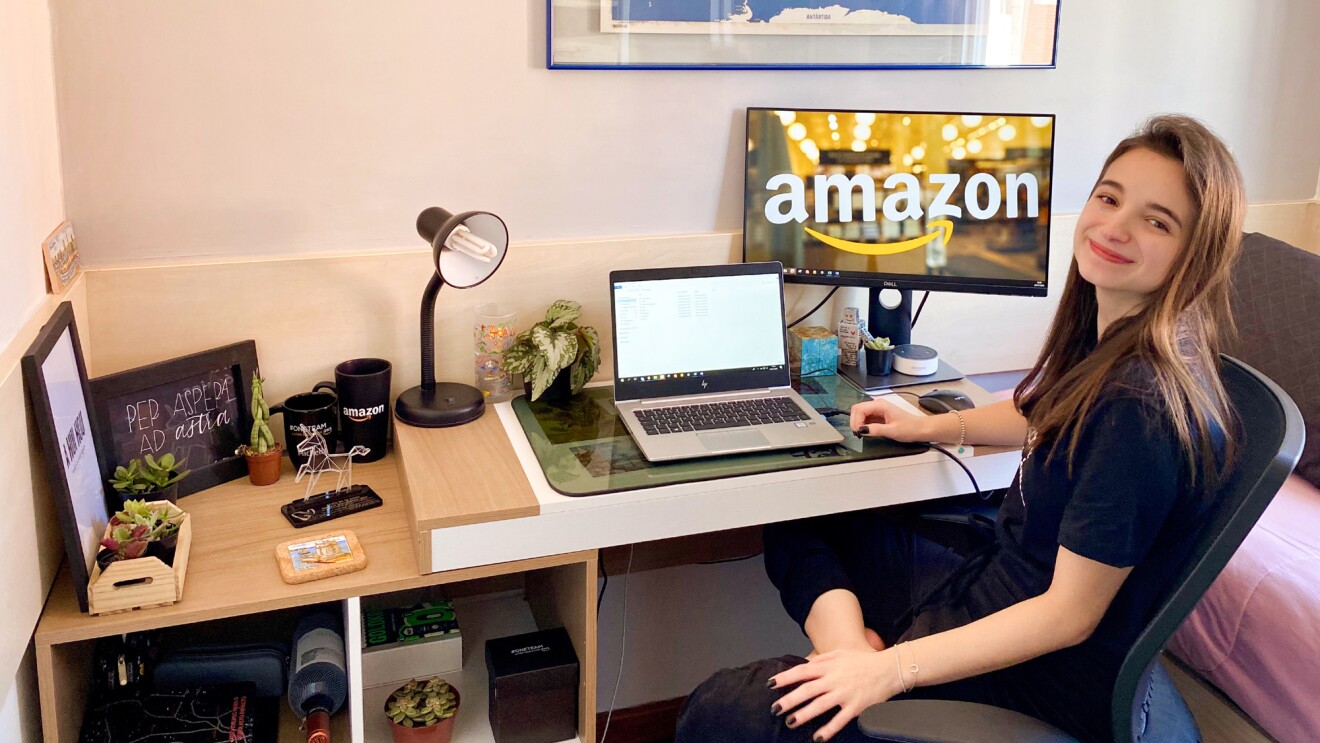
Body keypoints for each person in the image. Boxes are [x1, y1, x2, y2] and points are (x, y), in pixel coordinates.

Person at [675, 114, 1246, 743]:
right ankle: (846, 646)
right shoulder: (1116, 341)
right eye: (1109, 197)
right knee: (803, 513)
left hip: (1033, 679)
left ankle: (857, 665)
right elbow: (1044, 411)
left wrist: (887, 673)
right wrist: (931, 426)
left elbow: (1066, 617)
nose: (1115, 226)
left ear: (1197, 253)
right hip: (993, 583)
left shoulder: (1142, 406)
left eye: (1156, 220)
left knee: (716, 714)